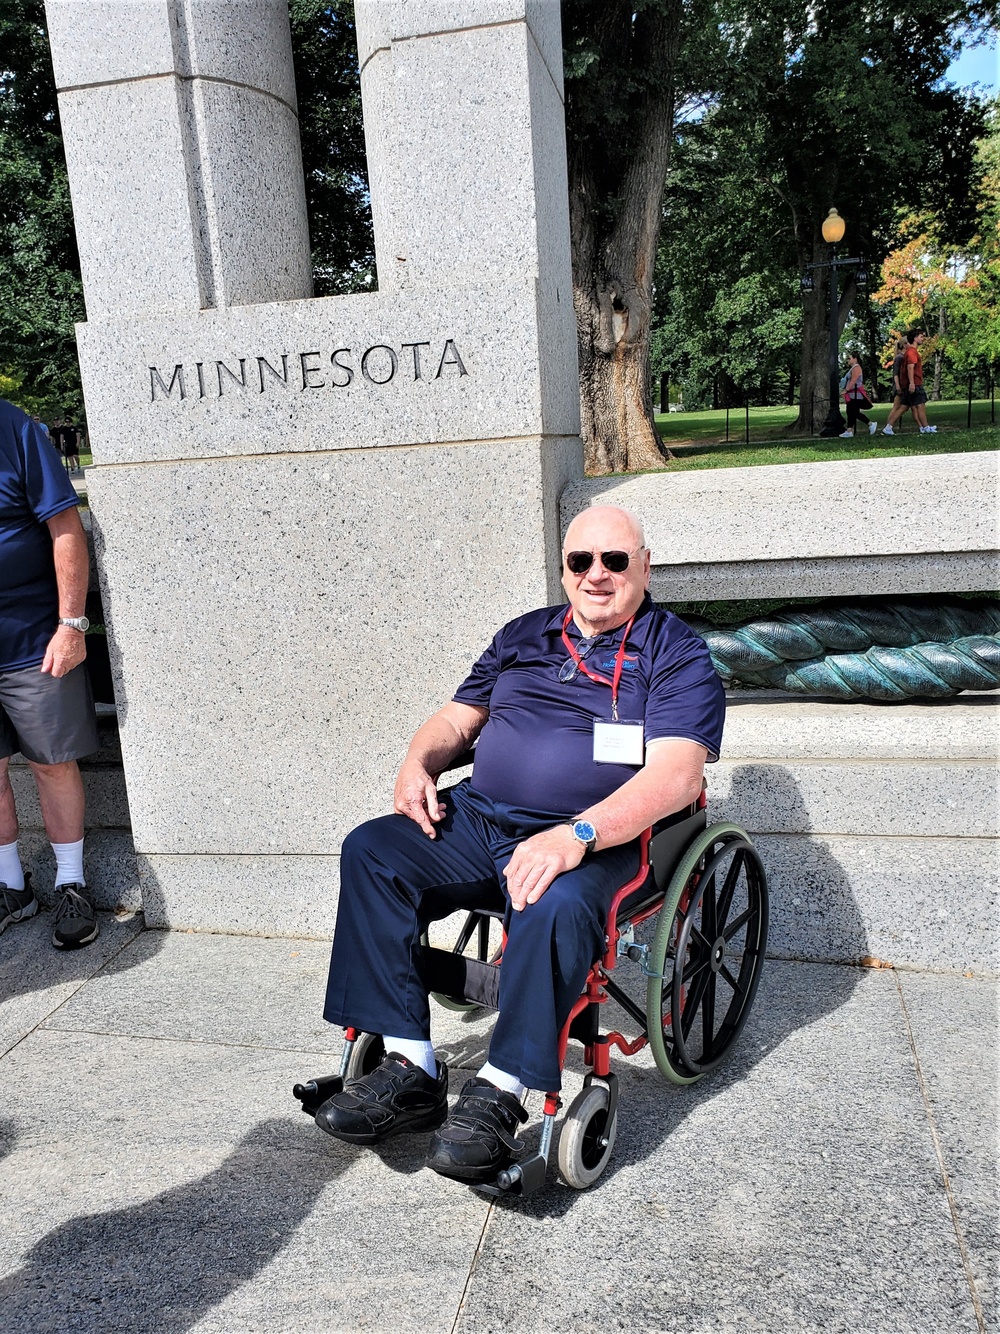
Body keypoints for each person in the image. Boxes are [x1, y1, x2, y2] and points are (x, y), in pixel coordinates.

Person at [317, 504, 725, 1183]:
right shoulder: (523, 635)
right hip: (483, 816)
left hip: (604, 837)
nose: (596, 575)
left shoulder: (675, 651)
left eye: (615, 561)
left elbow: (678, 775)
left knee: (557, 904)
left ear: (645, 568)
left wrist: (577, 835)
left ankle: (501, 1091)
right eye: (580, 562)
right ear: (564, 570)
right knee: (373, 851)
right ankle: (410, 1066)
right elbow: (455, 719)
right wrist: (417, 764)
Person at [0, 398, 101, 949]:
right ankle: (12, 888)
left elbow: (65, 524)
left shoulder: (14, 428)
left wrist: (71, 624)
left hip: (32, 642)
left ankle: (71, 882)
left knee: (52, 765)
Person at [839, 354, 877, 438]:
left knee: (853, 412)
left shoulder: (856, 368)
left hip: (856, 394)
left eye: (849, 358)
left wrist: (846, 390)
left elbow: (853, 380)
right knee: (851, 412)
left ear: (855, 359)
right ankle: (850, 430)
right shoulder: (853, 368)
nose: (847, 360)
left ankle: (869, 424)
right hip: (852, 394)